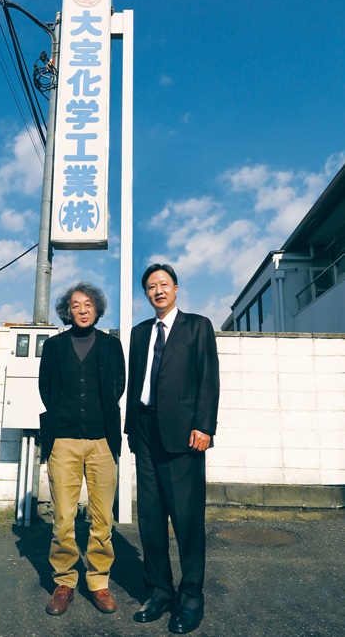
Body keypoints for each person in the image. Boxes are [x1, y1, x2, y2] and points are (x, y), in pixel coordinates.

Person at [125, 263, 219, 635]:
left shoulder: (197, 326)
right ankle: (160, 592)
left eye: (164, 284)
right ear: (146, 294)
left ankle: (191, 597)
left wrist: (205, 426)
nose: (158, 290)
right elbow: (135, 383)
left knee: (187, 521)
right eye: (151, 286)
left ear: (176, 289)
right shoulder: (139, 333)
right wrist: (131, 429)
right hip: (145, 433)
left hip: (184, 436)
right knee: (150, 519)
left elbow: (208, 377)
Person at [38, 282, 125, 616]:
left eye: (88, 304)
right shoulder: (54, 346)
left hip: (103, 441)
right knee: (63, 517)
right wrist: (65, 416)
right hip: (63, 441)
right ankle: (64, 582)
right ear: (68, 311)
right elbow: (46, 387)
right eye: (76, 305)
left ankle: (99, 582)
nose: (83, 309)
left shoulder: (111, 345)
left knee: (102, 518)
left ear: (97, 308)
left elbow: (118, 385)